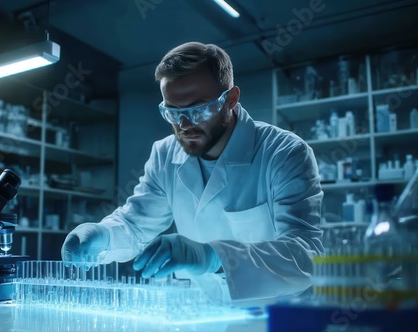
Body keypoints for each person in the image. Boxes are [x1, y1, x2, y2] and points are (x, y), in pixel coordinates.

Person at [62, 41, 324, 305]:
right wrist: (101, 235)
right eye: (173, 112)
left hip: (275, 315)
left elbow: (305, 257)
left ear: (231, 100)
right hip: (203, 313)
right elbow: (135, 224)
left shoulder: (283, 152)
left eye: (198, 110)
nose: (184, 125)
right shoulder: (165, 154)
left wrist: (213, 257)